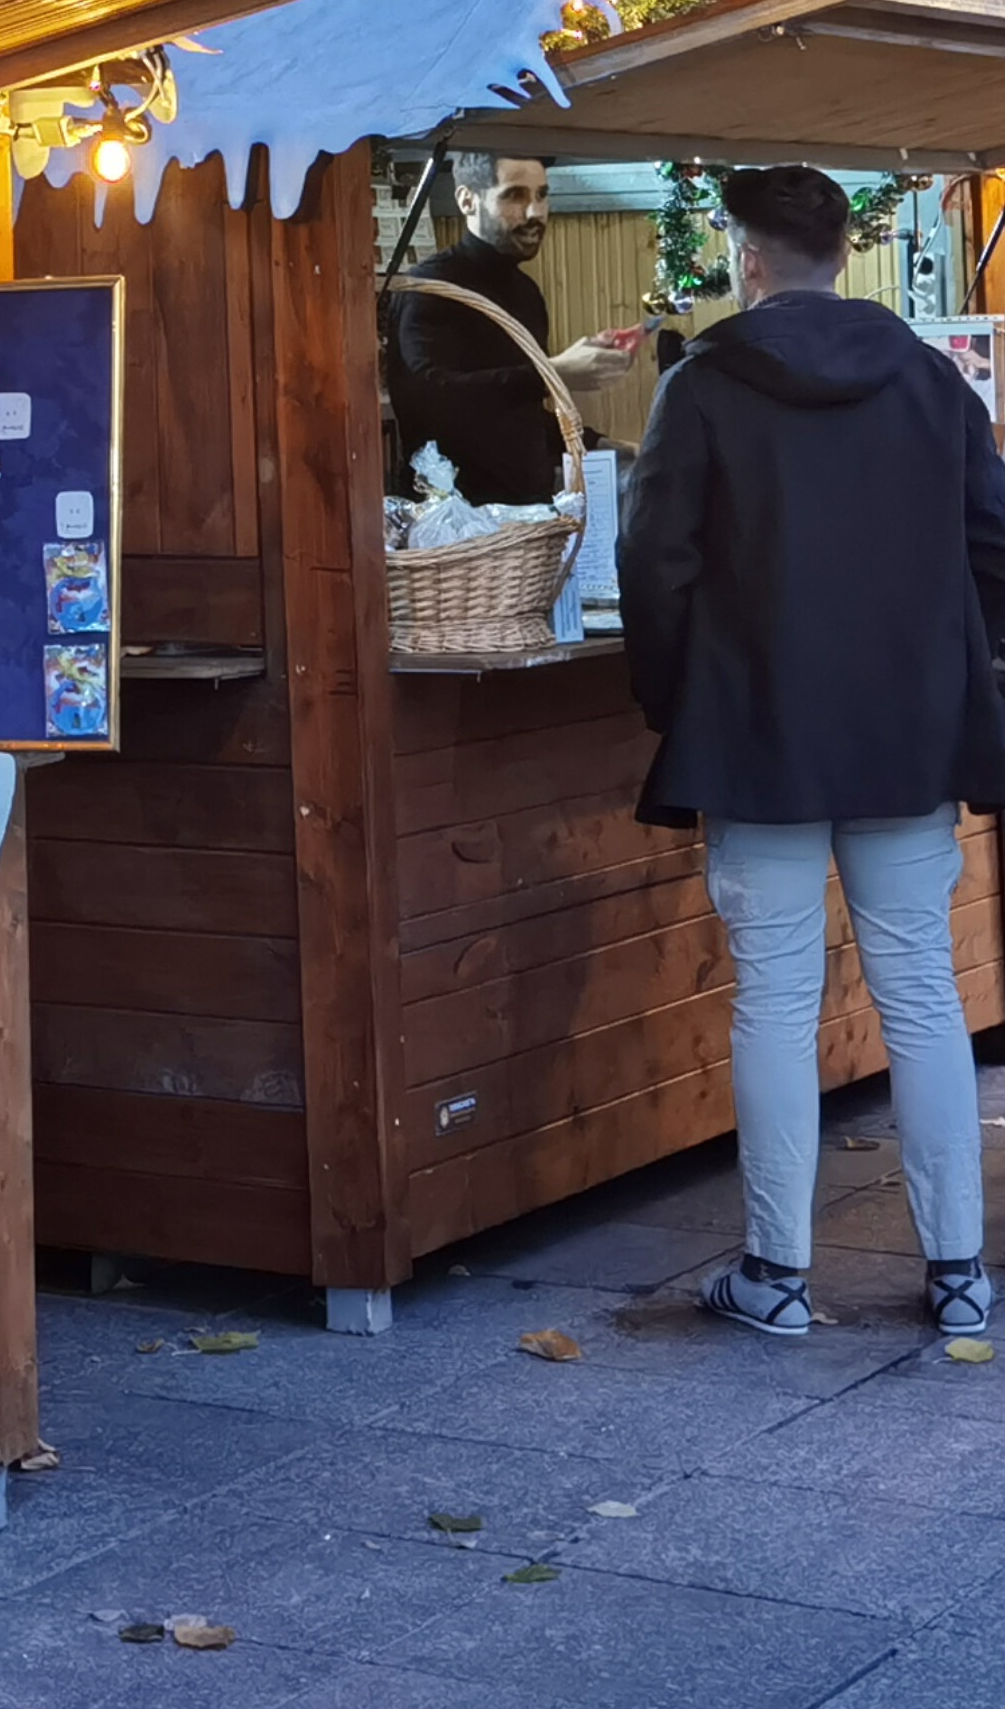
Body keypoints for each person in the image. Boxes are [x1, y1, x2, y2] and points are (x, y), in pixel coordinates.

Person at [619, 163, 1005, 1341]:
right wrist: (953, 668)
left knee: (776, 1003)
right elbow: (993, 541)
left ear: (747, 259)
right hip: (906, 734)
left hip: (755, 732)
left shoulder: (700, 384)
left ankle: (775, 1277)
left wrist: (677, 700)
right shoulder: (931, 380)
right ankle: (959, 1273)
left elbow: (652, 562)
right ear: (844, 254)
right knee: (924, 995)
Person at [386, 150, 643, 502]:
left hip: (530, 515)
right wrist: (553, 374)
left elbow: (516, 415)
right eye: (515, 196)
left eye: (542, 195)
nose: (535, 212)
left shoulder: (526, 292)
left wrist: (604, 444)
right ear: (467, 200)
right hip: (454, 517)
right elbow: (431, 402)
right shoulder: (431, 288)